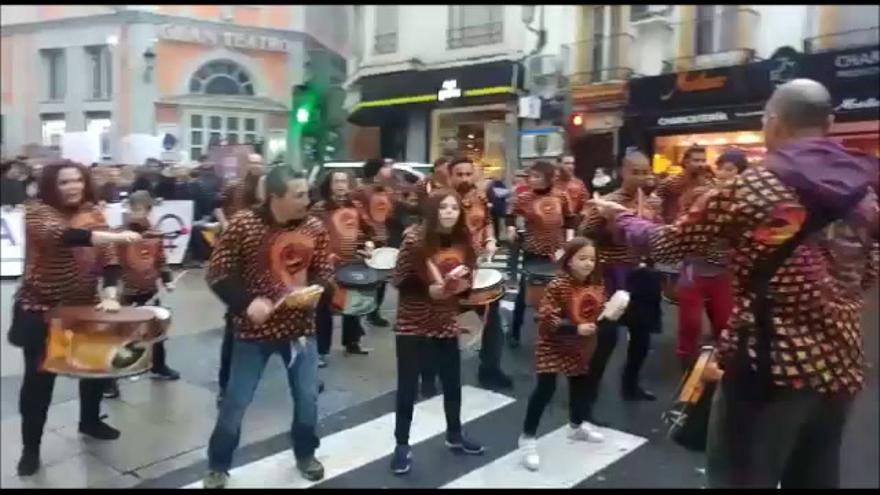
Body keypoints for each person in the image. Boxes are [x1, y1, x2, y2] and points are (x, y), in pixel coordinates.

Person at [591, 79, 879, 488]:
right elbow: (868, 272)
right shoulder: (863, 191)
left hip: (769, 365)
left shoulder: (754, 186)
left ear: (772, 122)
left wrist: (617, 217)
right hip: (841, 365)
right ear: (829, 122)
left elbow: (668, 244)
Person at [6, 160, 142, 476]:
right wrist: (117, 237)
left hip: (85, 308)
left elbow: (109, 262)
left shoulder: (93, 213)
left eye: (78, 181)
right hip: (42, 312)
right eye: (65, 182)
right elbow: (64, 236)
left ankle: (90, 421)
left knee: (94, 371)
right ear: (52, 186)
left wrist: (109, 293)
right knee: (38, 384)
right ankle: (31, 448)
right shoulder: (37, 212)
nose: (73, 187)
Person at [203, 166, 332, 488]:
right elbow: (218, 274)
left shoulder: (315, 227)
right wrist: (246, 303)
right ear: (275, 197)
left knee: (307, 398)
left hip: (300, 331)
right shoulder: (244, 224)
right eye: (299, 195)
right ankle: (218, 464)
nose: (307, 200)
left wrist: (315, 292)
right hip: (253, 334)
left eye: (308, 193)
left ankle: (305, 453)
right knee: (236, 401)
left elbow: (324, 273)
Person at [390, 191, 485, 475]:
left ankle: (455, 435)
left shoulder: (464, 241)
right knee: (408, 386)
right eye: (442, 207)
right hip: (413, 321)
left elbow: (468, 279)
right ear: (432, 210)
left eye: (454, 207)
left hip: (445, 319)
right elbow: (399, 280)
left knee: (452, 382)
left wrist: (466, 289)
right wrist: (427, 289)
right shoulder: (414, 240)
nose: (449, 212)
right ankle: (401, 446)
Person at [579, 151, 661, 412]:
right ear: (622, 173)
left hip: (642, 274)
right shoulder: (608, 202)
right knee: (606, 339)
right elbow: (586, 232)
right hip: (613, 274)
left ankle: (631, 384)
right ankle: (586, 399)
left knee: (642, 336)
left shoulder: (649, 202)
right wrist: (606, 221)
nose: (641, 177)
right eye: (635, 172)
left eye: (645, 172)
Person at [517, 237, 608, 471]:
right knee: (545, 389)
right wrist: (575, 327)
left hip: (580, 345)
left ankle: (576, 426)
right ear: (569, 261)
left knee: (580, 384)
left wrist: (612, 312)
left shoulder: (597, 283)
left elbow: (599, 309)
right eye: (582, 258)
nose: (588, 264)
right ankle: (527, 438)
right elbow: (547, 319)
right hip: (553, 343)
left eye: (591, 259)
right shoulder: (558, 285)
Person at [104, 191, 180, 399]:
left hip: (150, 290)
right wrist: (113, 289)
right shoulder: (119, 235)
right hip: (125, 293)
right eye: (131, 208)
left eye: (138, 209)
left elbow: (161, 260)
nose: (133, 213)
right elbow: (111, 262)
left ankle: (158, 366)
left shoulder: (155, 234)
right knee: (121, 337)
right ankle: (109, 382)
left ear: (148, 210)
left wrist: (167, 280)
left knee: (157, 332)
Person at [445, 157, 512, 389]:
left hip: (479, 270)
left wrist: (491, 239)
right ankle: (436, 372)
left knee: (492, 321)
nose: (464, 178)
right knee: (444, 325)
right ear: (450, 176)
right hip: (450, 273)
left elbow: (487, 223)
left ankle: (490, 369)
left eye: (467, 174)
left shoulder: (480, 198)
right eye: (459, 174)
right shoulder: (441, 201)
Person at [311, 170, 376, 366]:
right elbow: (307, 234)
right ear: (329, 185)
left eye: (344, 181)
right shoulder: (319, 209)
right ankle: (321, 351)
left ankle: (352, 342)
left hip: (352, 262)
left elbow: (369, 230)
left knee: (354, 304)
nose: (340, 185)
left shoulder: (355, 207)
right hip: (325, 265)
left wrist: (368, 245)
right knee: (324, 309)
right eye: (336, 181)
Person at [507, 161, 575, 348]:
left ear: (548, 178)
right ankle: (514, 331)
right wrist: (511, 228)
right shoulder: (524, 197)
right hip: (533, 251)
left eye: (537, 176)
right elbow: (511, 215)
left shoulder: (561, 195)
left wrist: (570, 238)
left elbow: (570, 219)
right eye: (531, 176)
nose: (532, 180)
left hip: (557, 252)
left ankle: (559, 332)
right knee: (525, 294)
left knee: (560, 293)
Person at [352, 158, 398, 328]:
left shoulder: (386, 190)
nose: (389, 170)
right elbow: (358, 214)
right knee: (367, 278)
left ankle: (373, 311)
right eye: (385, 167)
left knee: (381, 277)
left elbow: (391, 211)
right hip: (367, 239)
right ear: (377, 170)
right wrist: (370, 233)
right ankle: (364, 312)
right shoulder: (361, 191)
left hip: (382, 236)